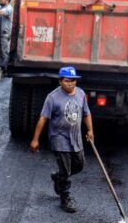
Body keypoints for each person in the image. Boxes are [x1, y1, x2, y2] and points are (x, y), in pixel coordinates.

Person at [30, 66, 94, 213]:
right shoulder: (52, 97)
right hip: (59, 137)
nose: (70, 84)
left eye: (73, 81)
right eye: (67, 81)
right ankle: (65, 197)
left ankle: (58, 176)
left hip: (75, 136)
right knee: (66, 169)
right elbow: (43, 118)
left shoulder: (81, 94)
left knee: (79, 164)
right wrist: (35, 139)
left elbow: (86, 113)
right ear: (60, 81)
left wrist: (90, 130)